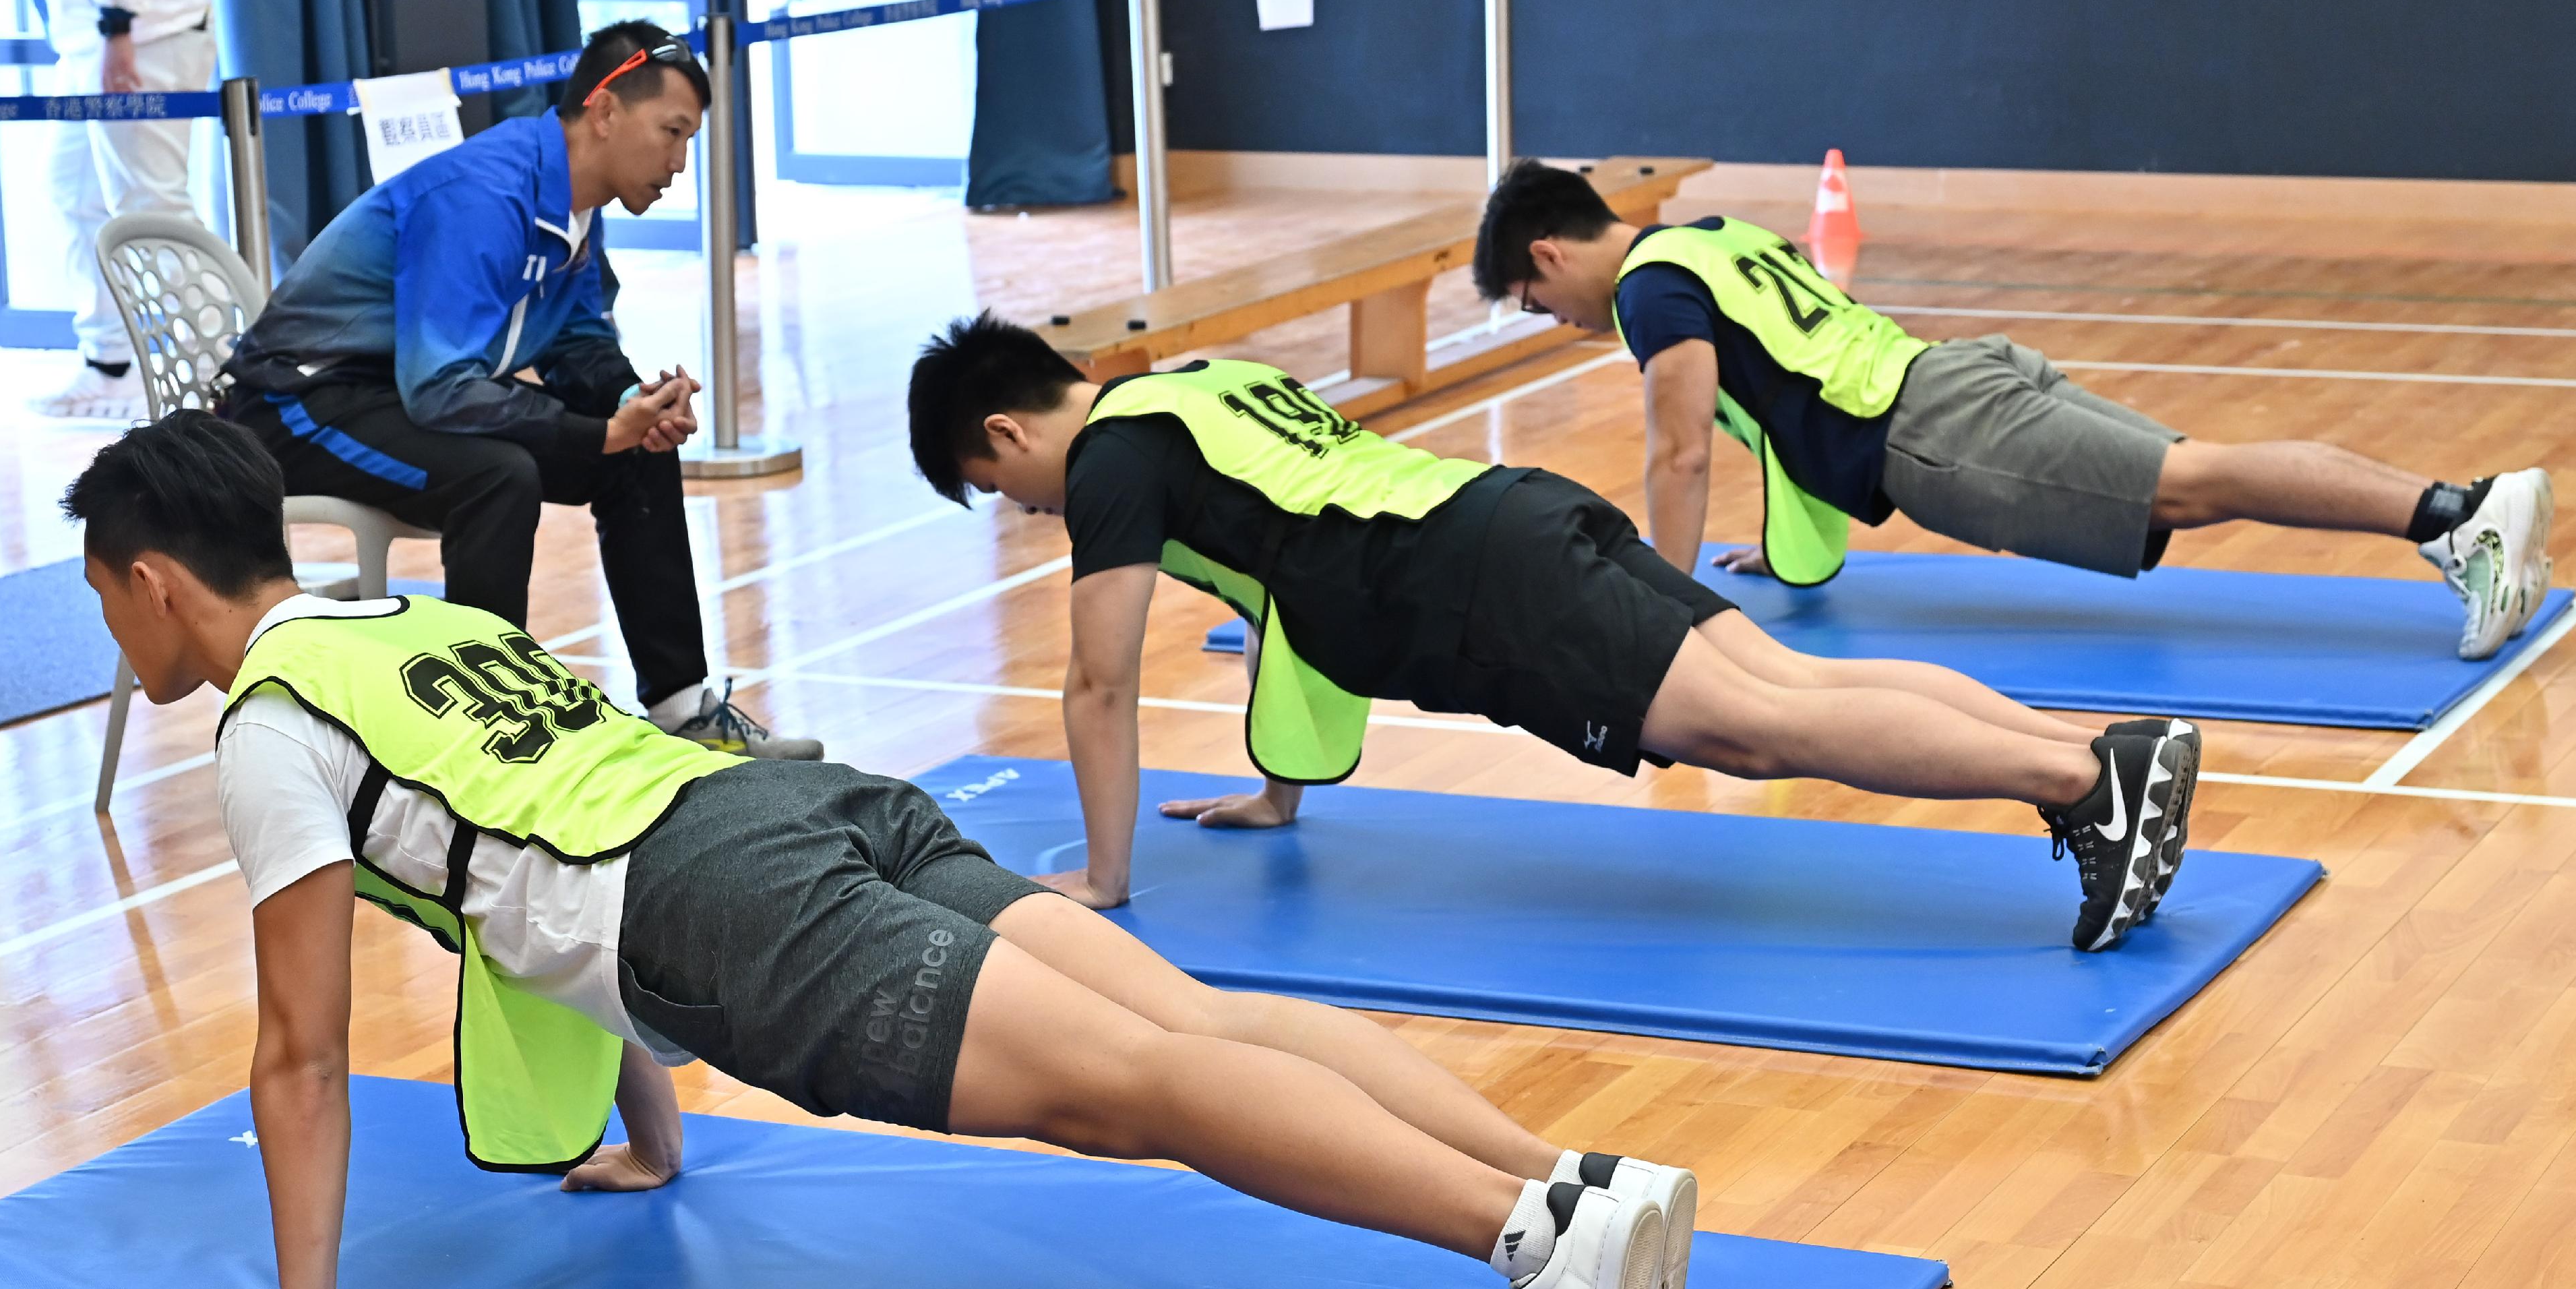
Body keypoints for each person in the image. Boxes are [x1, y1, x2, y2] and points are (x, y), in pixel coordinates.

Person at [62, 412, 1694, 1289]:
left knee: (1132, 1087)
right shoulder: (421, 616)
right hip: (799, 804)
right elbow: (534, 870)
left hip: (729, 903)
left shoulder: (270, 723)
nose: (108, 630)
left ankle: (1524, 1238)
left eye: (100, 597)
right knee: (1191, 1021)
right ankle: (1570, 1179)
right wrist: (651, 1131)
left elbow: (301, 1049)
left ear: (152, 581)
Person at [904, 315, 2201, 955]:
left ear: (1009, 435)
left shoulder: (1111, 463)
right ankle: (2100, 755)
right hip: (1506, 511)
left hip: (1482, 582)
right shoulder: (1193, 385)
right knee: (1787, 676)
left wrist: (1104, 880)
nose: (1024, 514)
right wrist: (1278, 794)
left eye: (1000, 489)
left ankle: (2084, 784)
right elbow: (1292, 569)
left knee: (1758, 730)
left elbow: (1098, 681)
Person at [1472, 160, 2556, 661]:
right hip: (1956, 377)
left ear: (1548, 253)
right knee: (2193, 473)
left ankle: (2459, 516)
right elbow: (1786, 409)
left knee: (2196, 479)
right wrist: (1789, 557)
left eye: (1534, 301)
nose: (1555, 319)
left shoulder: (1644, 294)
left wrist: (1664, 606)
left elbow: (1679, 451)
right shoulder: (1708, 236)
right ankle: (2459, 515)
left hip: (1937, 432)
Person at [222, 20, 816, 760]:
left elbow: (577, 341)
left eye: (689, 138)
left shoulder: (575, 208)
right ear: (603, 110)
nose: (680, 160)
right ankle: (485, 740)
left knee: (638, 453)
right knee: (499, 478)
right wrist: (597, 432)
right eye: (671, 131)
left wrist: (634, 401)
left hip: (394, 393)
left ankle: (681, 707)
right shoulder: (481, 197)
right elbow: (441, 388)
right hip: (294, 406)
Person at [30, 0, 217, 419]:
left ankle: (203, 381)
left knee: (152, 208)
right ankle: (111, 361)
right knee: (76, 191)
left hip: (138, 36)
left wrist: (119, 21)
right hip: (104, 36)